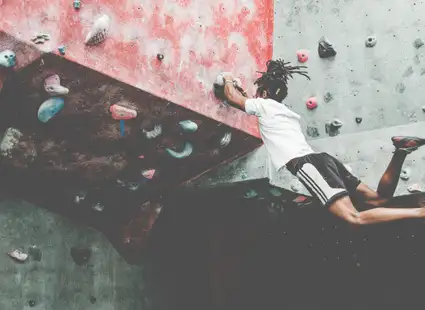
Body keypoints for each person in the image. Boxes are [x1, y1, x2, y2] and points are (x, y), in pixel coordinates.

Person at [220, 59, 425, 225]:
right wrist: (246, 95)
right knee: (379, 199)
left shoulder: (263, 106)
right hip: (322, 161)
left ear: (264, 93)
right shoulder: (282, 111)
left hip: (307, 165)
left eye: (258, 93)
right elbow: (256, 107)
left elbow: (231, 97)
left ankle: (420, 213)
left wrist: (228, 78)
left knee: (355, 218)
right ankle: (400, 152)